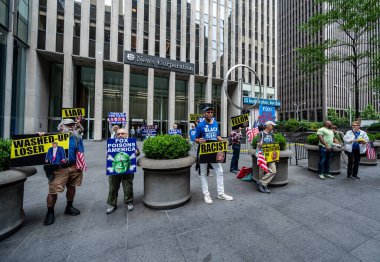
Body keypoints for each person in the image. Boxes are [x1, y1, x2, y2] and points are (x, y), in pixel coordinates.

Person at [43, 118, 86, 226]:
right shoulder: (52, 138)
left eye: (72, 124)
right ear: (61, 127)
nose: (71, 126)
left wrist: (79, 166)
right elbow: (40, 146)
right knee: (53, 191)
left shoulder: (76, 138)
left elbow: (80, 152)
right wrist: (40, 136)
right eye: (68, 125)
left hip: (73, 167)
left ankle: (69, 206)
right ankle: (50, 212)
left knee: (72, 187)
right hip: (58, 169)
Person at [195, 106, 233, 204]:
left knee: (219, 171)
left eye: (211, 112)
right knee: (203, 173)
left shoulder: (215, 123)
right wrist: (199, 140)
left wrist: (224, 140)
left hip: (214, 150)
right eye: (208, 112)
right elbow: (195, 138)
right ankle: (206, 194)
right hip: (204, 151)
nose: (210, 113)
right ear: (204, 113)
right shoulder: (200, 125)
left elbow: (217, 136)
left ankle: (221, 194)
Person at [106, 129, 140, 214]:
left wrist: (136, 152)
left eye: (122, 133)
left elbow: (138, 152)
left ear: (126, 135)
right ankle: (112, 204)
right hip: (115, 169)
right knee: (113, 187)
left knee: (128, 186)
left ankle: (129, 202)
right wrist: (107, 155)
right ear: (116, 135)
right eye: (118, 134)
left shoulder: (131, 142)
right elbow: (108, 155)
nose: (120, 135)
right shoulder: (112, 143)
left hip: (127, 168)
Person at [255, 121, 277, 193]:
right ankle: (264, 185)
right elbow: (258, 144)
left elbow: (273, 144)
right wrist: (259, 144)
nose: (273, 126)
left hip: (270, 155)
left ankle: (261, 182)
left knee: (273, 171)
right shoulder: (260, 134)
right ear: (268, 126)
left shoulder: (272, 135)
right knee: (261, 171)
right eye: (272, 125)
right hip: (262, 155)